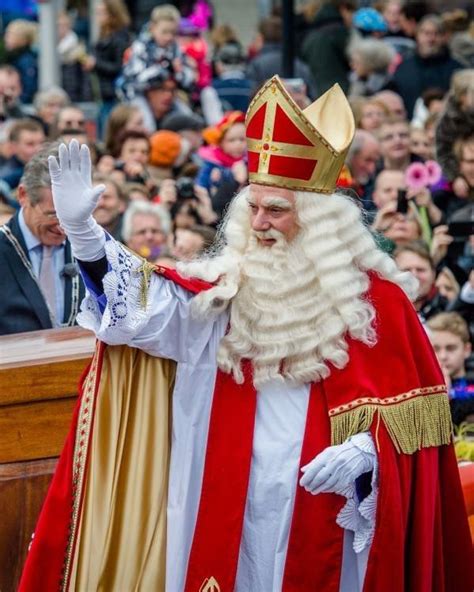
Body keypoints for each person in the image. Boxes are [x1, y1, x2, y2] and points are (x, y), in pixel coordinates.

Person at [19, 76, 473, 591]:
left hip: (329, 519)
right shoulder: (227, 289)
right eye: (252, 207)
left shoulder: (379, 304)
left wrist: (369, 457)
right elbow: (142, 311)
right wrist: (86, 236)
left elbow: (424, 434)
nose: (259, 223)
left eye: (277, 210)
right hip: (229, 506)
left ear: (321, 223)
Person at [0, 144, 84, 335]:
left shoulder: (90, 247)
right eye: (53, 214)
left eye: (71, 215)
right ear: (23, 196)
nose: (63, 227)